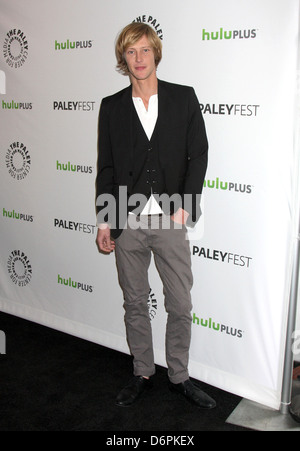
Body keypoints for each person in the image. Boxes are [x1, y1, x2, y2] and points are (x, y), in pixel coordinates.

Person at [96, 22, 216, 409]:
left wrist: (185, 208)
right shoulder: (111, 106)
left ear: (156, 53)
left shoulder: (183, 98)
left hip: (170, 219)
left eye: (145, 50)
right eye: (131, 52)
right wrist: (104, 220)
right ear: (123, 58)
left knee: (180, 303)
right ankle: (142, 371)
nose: (138, 59)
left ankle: (179, 376)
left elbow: (198, 154)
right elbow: (107, 169)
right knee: (134, 302)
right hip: (125, 220)